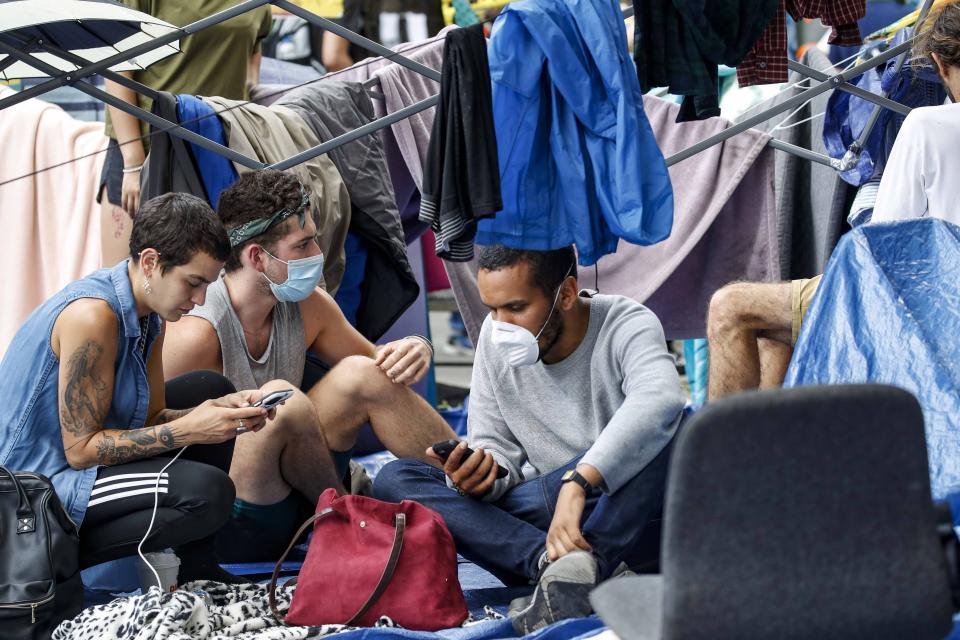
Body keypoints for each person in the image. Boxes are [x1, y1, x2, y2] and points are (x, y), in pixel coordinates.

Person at [373, 245, 686, 634]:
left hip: (623, 504)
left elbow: (660, 399)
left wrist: (581, 479)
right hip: (548, 510)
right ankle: (556, 568)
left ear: (567, 293)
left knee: (679, 429)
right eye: (491, 309)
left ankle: (584, 564)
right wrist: (483, 473)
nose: (501, 325)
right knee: (394, 479)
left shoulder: (626, 322)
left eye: (516, 308)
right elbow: (494, 443)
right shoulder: (493, 336)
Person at [162, 169, 458, 560]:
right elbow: (159, 446)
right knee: (281, 402)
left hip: (302, 495)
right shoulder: (197, 332)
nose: (318, 253)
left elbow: (382, 370)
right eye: (303, 245)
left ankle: (468, 481)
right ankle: (349, 524)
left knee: (361, 374)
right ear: (257, 257)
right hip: (235, 517)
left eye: (314, 238)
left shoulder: (309, 306)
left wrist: (417, 346)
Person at [0, 193, 272, 581]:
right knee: (209, 494)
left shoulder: (150, 314)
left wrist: (222, 414)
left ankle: (199, 571)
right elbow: (81, 451)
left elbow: (151, 418)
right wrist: (191, 428)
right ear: (150, 262)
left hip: (73, 463)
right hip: (28, 497)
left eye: (206, 286)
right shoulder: (93, 316)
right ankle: (50, 564)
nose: (198, 300)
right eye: (193, 283)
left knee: (207, 389)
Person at [706, 2, 960, 401]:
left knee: (730, 307)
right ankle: (770, 451)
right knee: (774, 323)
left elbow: (877, 247)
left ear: (938, 65)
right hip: (932, 302)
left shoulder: (928, 124)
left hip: (920, 305)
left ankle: (717, 462)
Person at [99, 0, 272, 266]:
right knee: (126, 281)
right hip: (145, 148)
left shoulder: (257, 4)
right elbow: (117, 71)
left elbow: (252, 51)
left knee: (211, 280)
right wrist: (132, 163)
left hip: (220, 151)